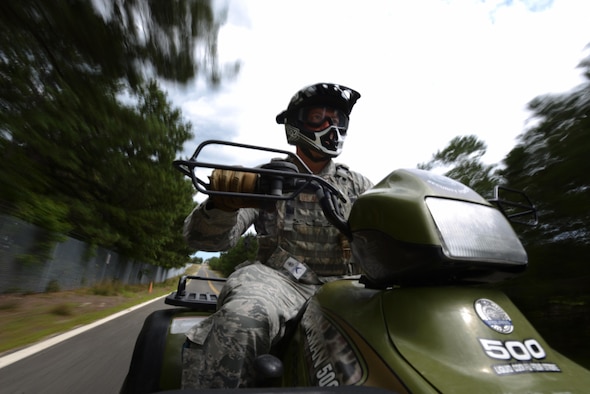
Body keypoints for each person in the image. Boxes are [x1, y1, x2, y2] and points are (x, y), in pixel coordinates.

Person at [181, 82, 373, 389]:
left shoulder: (359, 186)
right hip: (279, 281)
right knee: (243, 319)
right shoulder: (266, 180)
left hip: (348, 287)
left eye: (337, 118)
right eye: (318, 116)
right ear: (296, 125)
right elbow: (206, 242)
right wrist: (222, 203)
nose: (330, 125)